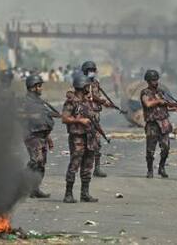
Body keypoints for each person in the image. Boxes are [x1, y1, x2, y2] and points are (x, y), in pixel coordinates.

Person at [61, 74, 99, 203]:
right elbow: (65, 118)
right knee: (74, 164)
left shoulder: (86, 102)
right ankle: (68, 194)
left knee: (88, 166)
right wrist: (80, 120)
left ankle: (85, 194)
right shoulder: (71, 102)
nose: (89, 88)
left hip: (89, 137)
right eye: (87, 86)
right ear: (82, 87)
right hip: (77, 137)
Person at [20, 74, 58, 198]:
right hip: (31, 135)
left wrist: (48, 137)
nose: (41, 88)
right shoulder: (25, 102)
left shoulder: (40, 102)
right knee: (36, 160)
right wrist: (30, 116)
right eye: (39, 86)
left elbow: (44, 121)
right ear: (32, 87)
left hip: (42, 135)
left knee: (41, 164)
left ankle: (35, 189)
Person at [140, 69, 177, 178]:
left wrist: (176, 108)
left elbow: (165, 106)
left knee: (166, 148)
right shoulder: (145, 92)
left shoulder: (161, 92)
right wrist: (158, 101)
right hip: (152, 124)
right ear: (148, 81)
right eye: (152, 80)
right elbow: (147, 104)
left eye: (156, 79)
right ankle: (150, 170)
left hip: (164, 123)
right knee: (150, 150)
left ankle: (161, 167)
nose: (155, 82)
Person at [80, 60, 114, 178]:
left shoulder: (95, 83)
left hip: (95, 116)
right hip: (85, 117)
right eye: (90, 71)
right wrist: (102, 101)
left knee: (97, 143)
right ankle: (83, 168)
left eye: (93, 71)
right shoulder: (81, 83)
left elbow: (97, 96)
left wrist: (105, 103)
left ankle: (97, 168)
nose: (92, 73)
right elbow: (89, 97)